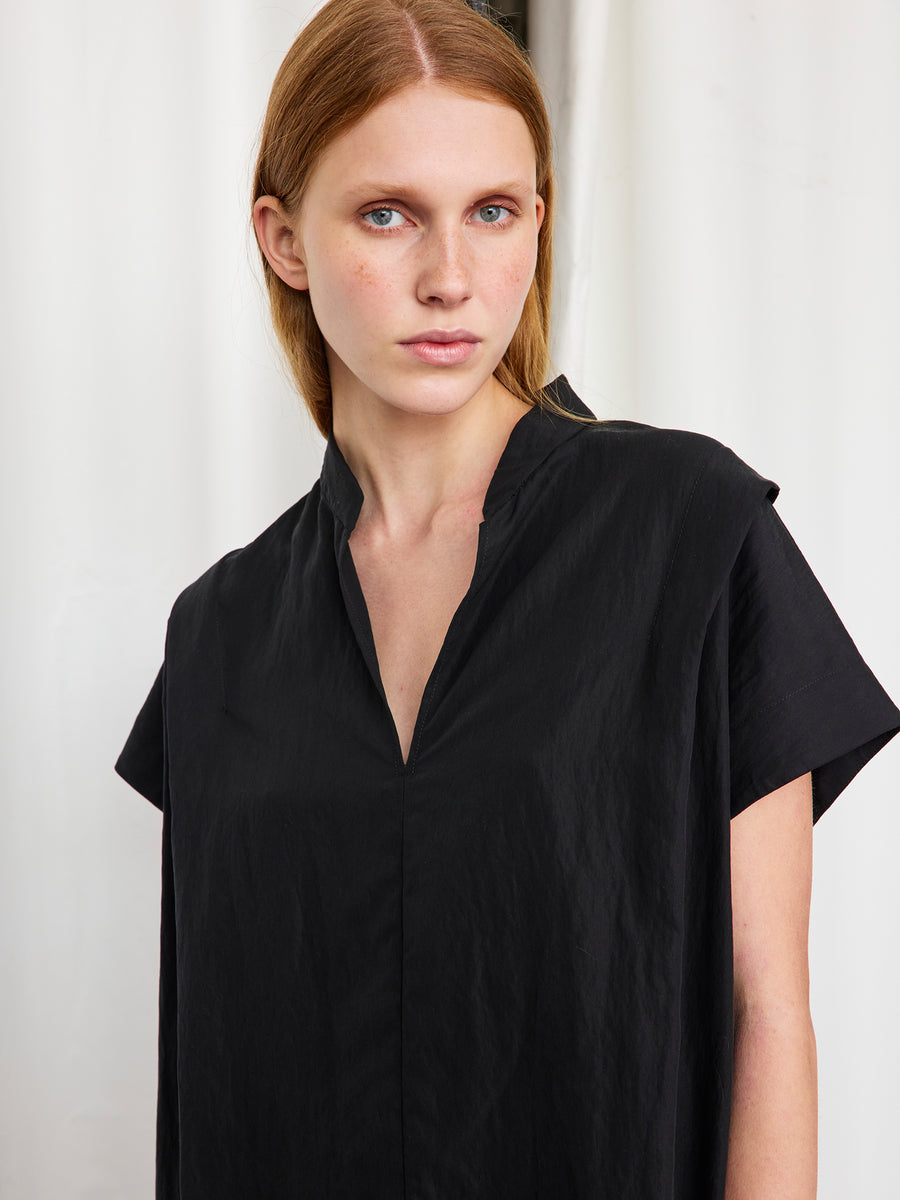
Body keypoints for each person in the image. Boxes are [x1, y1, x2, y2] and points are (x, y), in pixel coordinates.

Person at [114, 1, 900, 1197]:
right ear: (282, 239)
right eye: (388, 214)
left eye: (494, 212)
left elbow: (768, 1012)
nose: (449, 277)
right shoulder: (220, 633)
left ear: (538, 220)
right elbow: (217, 1073)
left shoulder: (687, 531)